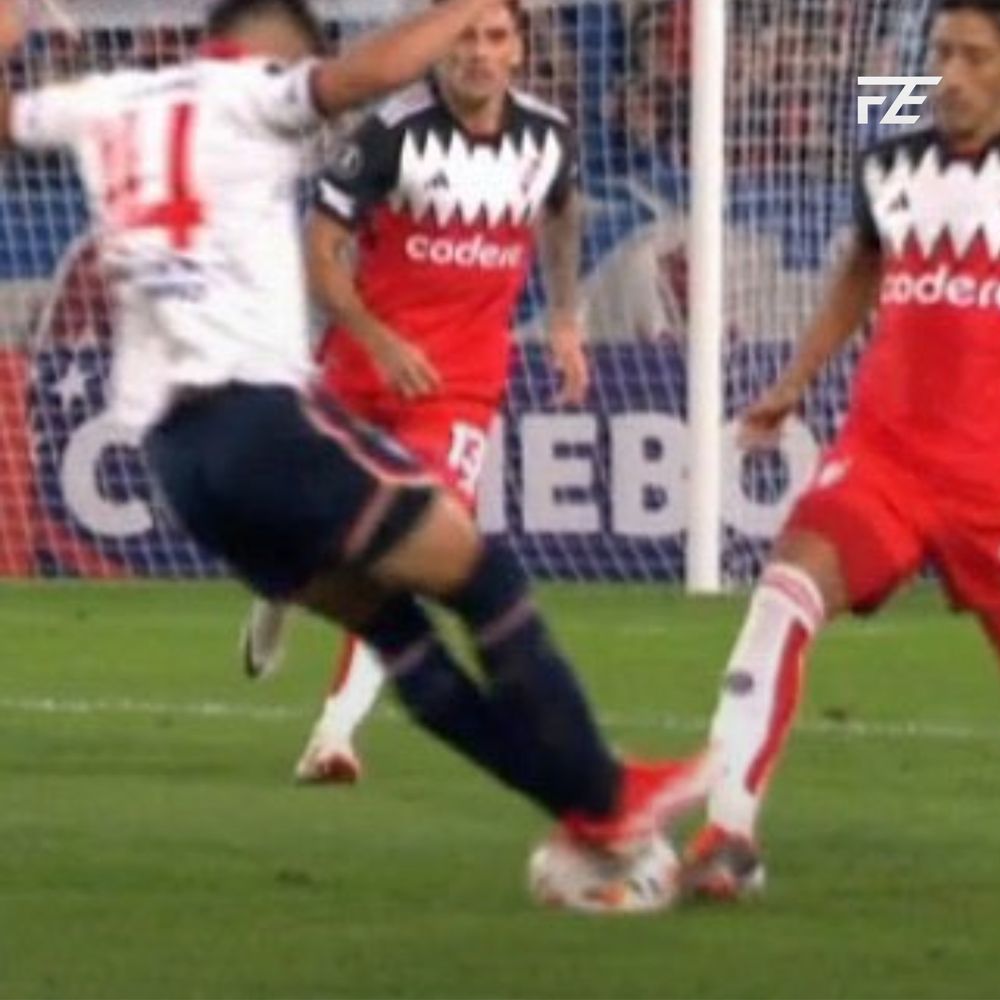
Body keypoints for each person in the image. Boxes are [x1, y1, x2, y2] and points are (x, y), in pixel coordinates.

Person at [0, 0, 709, 866]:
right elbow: (361, 79)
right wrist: (455, 10)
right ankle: (602, 796)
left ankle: (575, 804)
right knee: (482, 578)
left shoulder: (116, 99)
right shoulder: (261, 95)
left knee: (397, 628)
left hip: (174, 454)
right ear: (282, 52)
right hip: (270, 416)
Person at [680, 0, 1000, 900]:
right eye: (942, 52)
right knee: (784, 593)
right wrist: (795, 379)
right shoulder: (892, 139)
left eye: (978, 57)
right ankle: (728, 835)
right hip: (888, 454)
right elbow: (863, 261)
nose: (954, 74)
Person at [239, 0, 590, 786]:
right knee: (302, 533)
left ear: (518, 53)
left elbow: (564, 212)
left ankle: (335, 734)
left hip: (458, 389)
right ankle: (275, 590)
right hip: (364, 370)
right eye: (464, 36)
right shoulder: (389, 134)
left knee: (402, 550)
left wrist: (566, 317)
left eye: (495, 37)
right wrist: (376, 337)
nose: (478, 53)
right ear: (436, 49)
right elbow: (321, 250)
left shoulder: (549, 137)